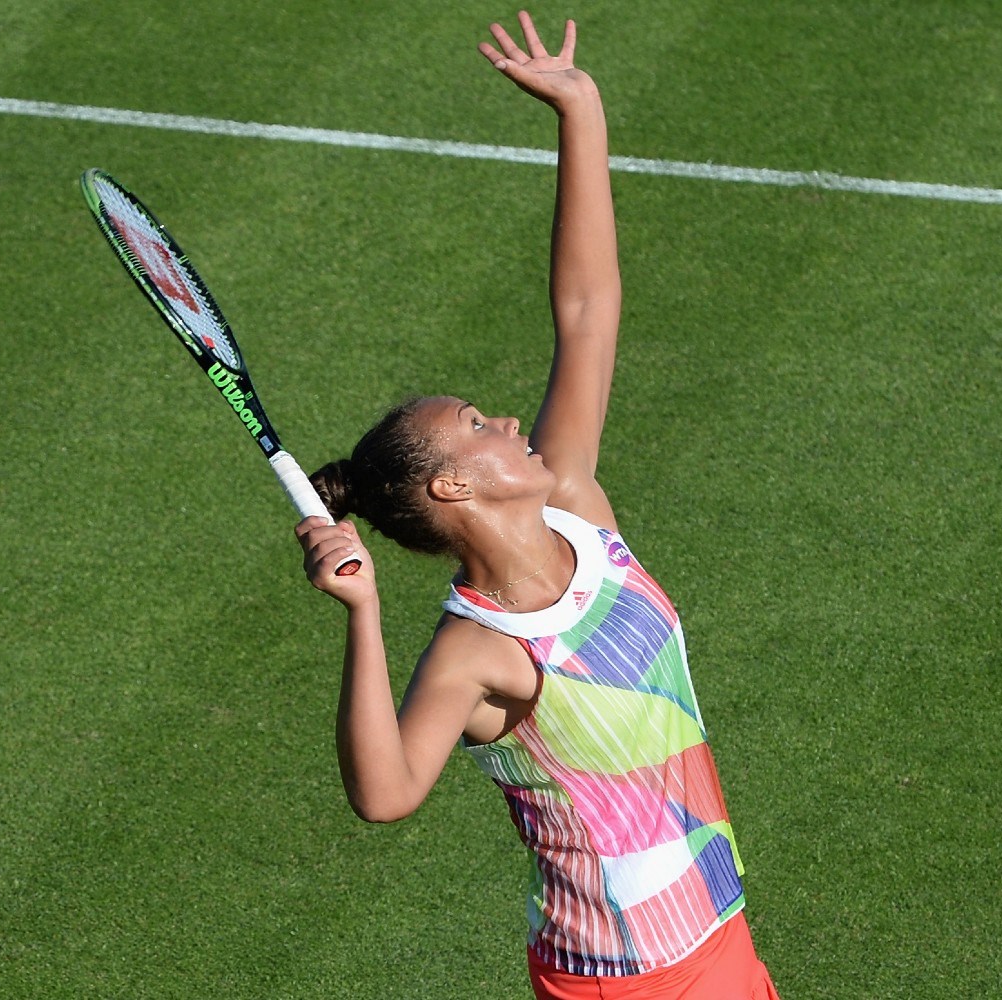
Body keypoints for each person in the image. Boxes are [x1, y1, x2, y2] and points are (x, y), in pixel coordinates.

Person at [294, 13, 781, 999]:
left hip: (713, 932)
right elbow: (386, 795)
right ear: (452, 486)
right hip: (621, 978)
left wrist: (581, 111)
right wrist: (366, 615)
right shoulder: (478, 652)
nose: (506, 416)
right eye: (476, 422)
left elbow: (587, 311)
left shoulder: (577, 505)